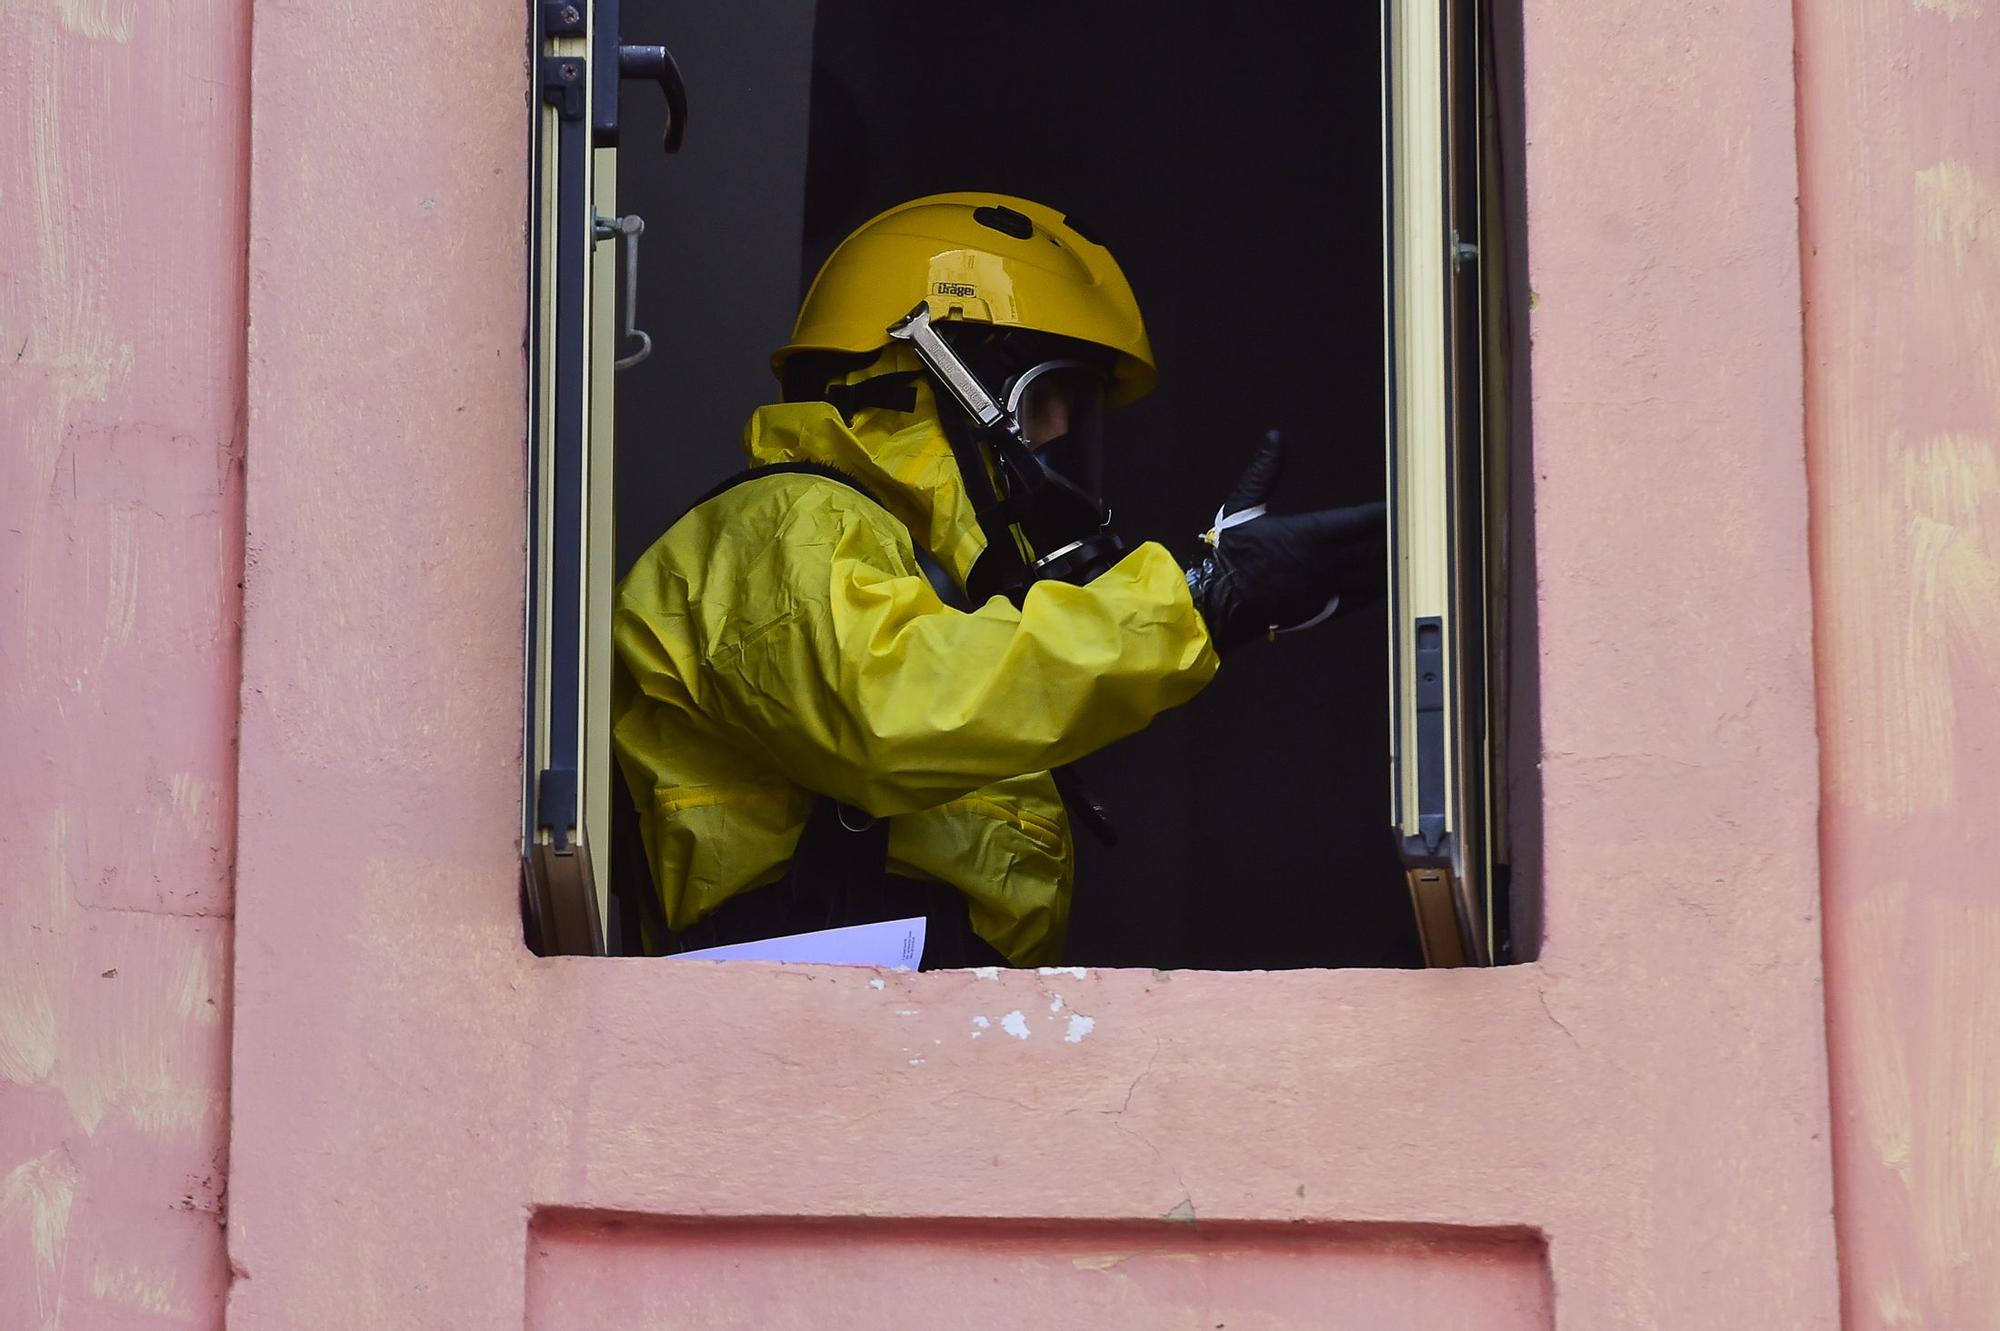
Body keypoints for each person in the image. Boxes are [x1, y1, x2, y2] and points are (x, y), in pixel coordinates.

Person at [611, 192, 1382, 967]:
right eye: (1045, 395)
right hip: (773, 1044)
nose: (1058, 432)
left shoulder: (944, 589)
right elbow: (895, 707)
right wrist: (1197, 599)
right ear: (933, 374)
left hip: (894, 1044)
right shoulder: (781, 521)